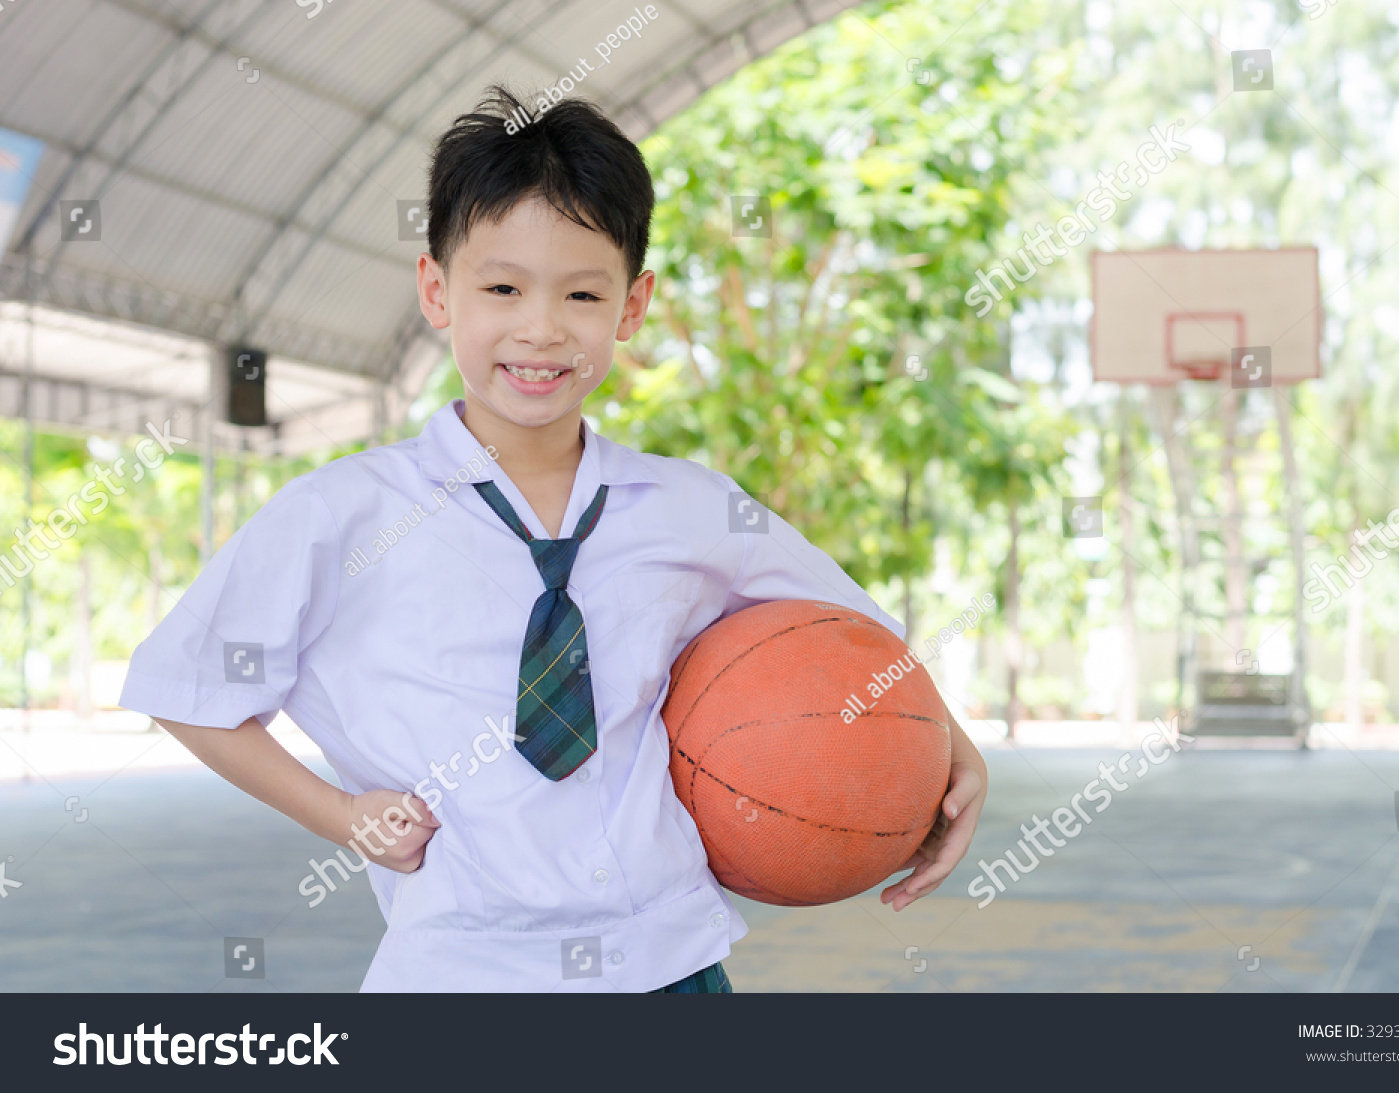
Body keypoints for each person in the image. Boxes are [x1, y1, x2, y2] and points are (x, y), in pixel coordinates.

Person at [120, 85, 988, 992]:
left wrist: (952, 747)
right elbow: (187, 686)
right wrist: (344, 816)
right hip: (461, 967)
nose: (540, 328)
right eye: (501, 287)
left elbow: (861, 641)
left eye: (582, 292)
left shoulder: (689, 508)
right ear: (436, 290)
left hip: (670, 961)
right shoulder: (342, 513)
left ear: (633, 304)